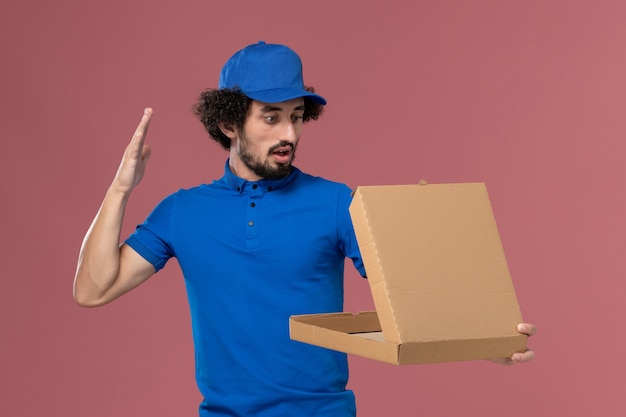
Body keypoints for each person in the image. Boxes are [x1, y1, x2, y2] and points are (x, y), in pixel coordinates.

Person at [73, 41, 537, 417]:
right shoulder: (182, 211)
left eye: (296, 117)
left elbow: (415, 293)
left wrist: (485, 342)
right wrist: (120, 189)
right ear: (229, 122)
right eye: (271, 117)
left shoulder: (336, 202)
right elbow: (93, 290)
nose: (290, 135)